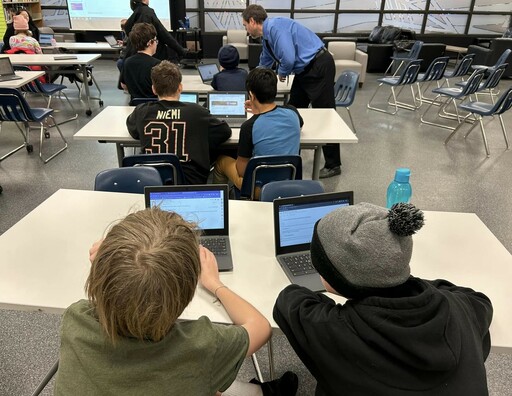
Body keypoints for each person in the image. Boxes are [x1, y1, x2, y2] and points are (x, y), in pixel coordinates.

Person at [53, 207, 298, 395]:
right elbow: (260, 327)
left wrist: (109, 266)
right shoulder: (203, 346)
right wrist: (214, 283)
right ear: (187, 292)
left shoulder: (75, 320)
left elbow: (103, 299)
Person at [273, 202, 494, 395]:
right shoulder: (460, 309)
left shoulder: (334, 330)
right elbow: (479, 300)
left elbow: (288, 300)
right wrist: (397, 276)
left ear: (339, 281)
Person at [241, 4, 341, 179]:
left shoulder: (276, 28)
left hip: (319, 65)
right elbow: (264, 60)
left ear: (252, 21)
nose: (246, 30)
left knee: (325, 112)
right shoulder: (267, 37)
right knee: (293, 107)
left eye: (244, 25)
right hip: (304, 70)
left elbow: (288, 58)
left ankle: (333, 164)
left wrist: (281, 74)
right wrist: (252, 80)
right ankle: (291, 151)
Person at [126, 60, 232, 184]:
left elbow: (133, 130)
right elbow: (225, 131)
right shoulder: (197, 112)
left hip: (152, 181)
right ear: (180, 87)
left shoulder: (142, 111)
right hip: (190, 182)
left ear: (154, 89)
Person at [213, 68, 303, 191]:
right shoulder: (293, 112)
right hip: (289, 182)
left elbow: (242, 171)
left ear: (252, 95)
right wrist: (258, 109)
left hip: (260, 189)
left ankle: (223, 202)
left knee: (221, 162)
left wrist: (257, 112)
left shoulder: (249, 126)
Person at [120, 22, 160, 102]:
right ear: (150, 43)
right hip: (154, 107)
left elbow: (123, 85)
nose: (156, 43)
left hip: (135, 106)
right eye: (155, 40)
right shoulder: (157, 64)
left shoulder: (127, 62)